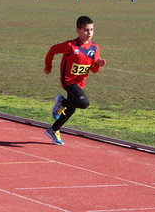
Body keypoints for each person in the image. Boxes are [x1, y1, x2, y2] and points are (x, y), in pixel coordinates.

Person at [42, 15, 107, 145]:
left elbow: (93, 69)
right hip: (68, 80)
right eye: (86, 30)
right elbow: (52, 50)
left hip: (80, 83)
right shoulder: (70, 45)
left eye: (92, 30)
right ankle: (61, 102)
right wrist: (48, 66)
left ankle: (53, 129)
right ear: (78, 30)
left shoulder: (95, 48)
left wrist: (98, 65)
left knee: (71, 109)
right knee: (84, 103)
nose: (89, 33)